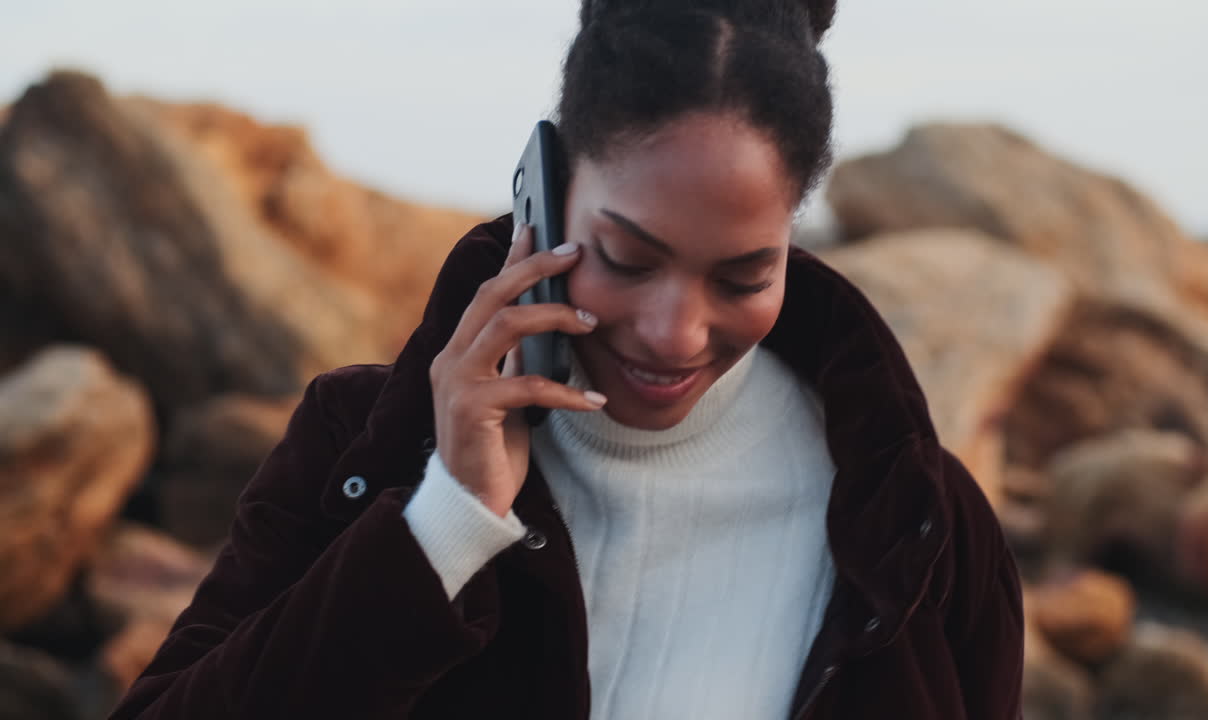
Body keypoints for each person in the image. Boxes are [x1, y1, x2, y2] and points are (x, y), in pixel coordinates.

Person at [109, 0, 1023, 717]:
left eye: (743, 277)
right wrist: (443, 526)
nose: (674, 333)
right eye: (627, 258)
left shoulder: (919, 529)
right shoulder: (352, 446)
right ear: (544, 197)